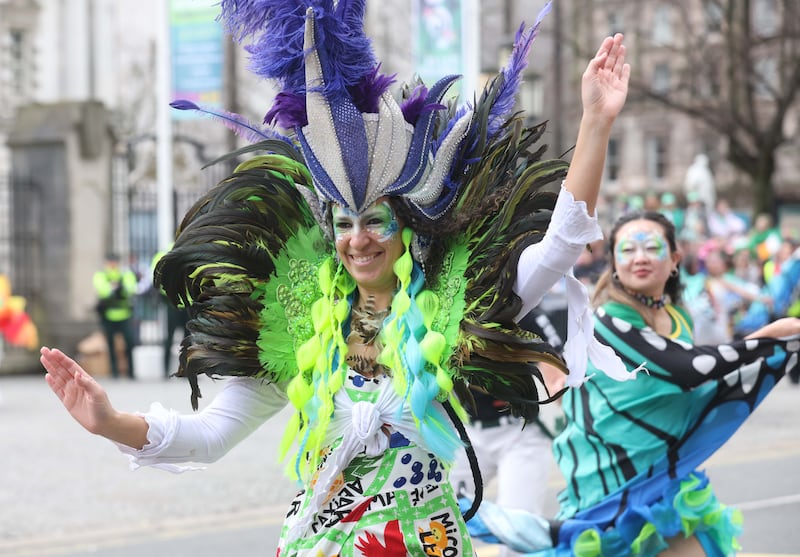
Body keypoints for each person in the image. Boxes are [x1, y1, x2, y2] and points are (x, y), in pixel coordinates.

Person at [41, 2, 632, 554]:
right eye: (344, 223)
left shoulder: (455, 302)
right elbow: (211, 435)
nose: (358, 238)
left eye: (375, 220)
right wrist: (109, 421)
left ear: (409, 228)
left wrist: (596, 122)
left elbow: (559, 245)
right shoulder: (301, 329)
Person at [462, 210, 800, 556]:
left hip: (663, 479)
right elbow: (688, 368)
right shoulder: (607, 321)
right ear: (614, 263)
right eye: (627, 250)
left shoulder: (679, 316)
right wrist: (769, 338)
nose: (639, 257)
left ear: (674, 260)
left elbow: (698, 377)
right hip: (611, 489)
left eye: (651, 247)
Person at [449, 309, 566, 557]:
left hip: (520, 432)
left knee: (518, 530)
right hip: (465, 433)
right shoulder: (446, 302)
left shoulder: (523, 305)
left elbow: (555, 363)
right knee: (443, 517)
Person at [92, 252, 138, 379]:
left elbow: (131, 288)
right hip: (108, 315)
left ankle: (131, 372)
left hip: (125, 315)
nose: (113, 265)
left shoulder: (125, 274)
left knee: (129, 343)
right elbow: (103, 291)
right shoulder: (101, 274)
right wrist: (115, 289)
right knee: (111, 345)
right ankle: (114, 372)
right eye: (110, 262)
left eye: (115, 262)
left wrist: (117, 288)